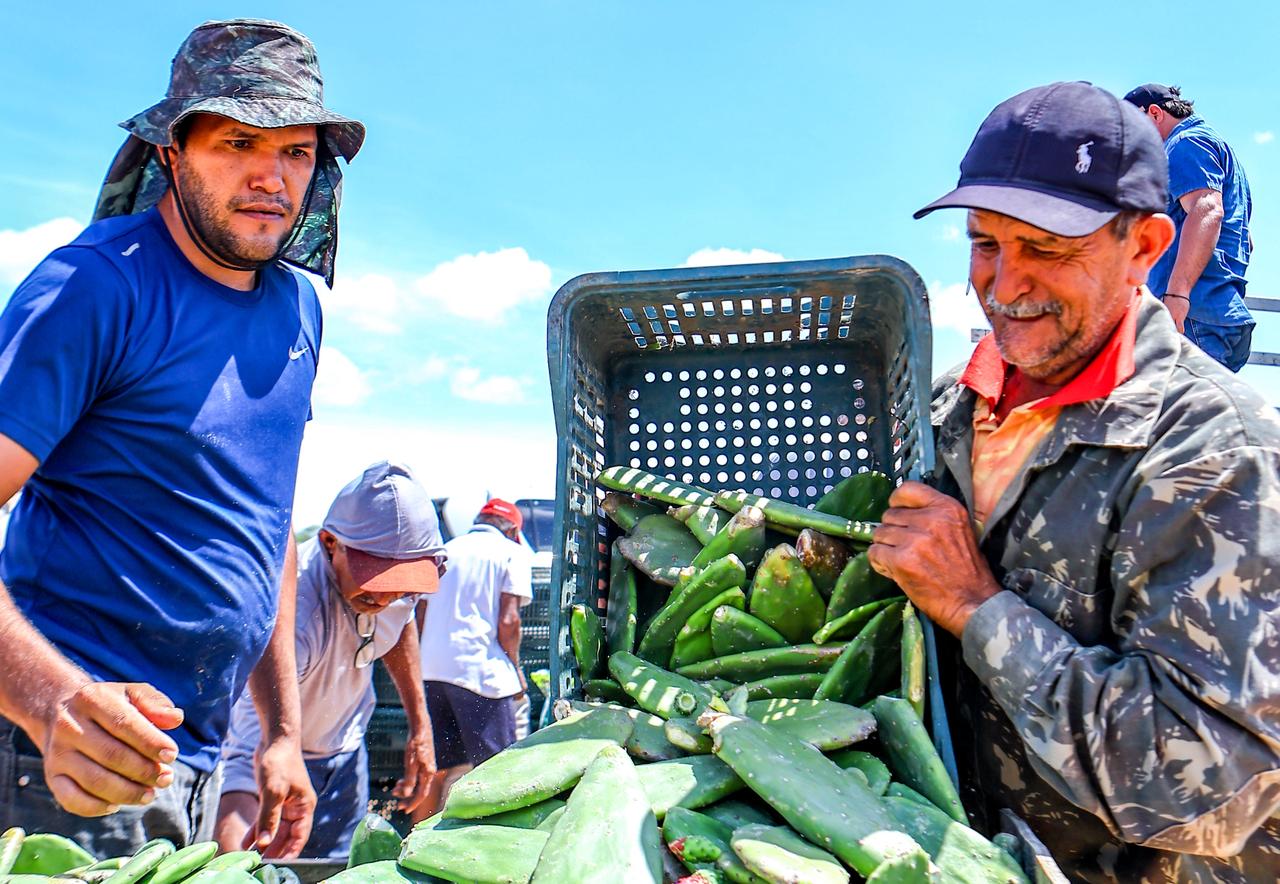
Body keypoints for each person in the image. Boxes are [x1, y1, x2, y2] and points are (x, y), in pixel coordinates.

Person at [871, 81, 1280, 881]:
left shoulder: (1217, 452)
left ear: (1146, 245)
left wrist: (972, 606)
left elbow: (1210, 796)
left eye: (1048, 248)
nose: (1005, 285)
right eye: (986, 244)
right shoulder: (951, 404)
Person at [0, 19, 364, 858]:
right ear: (172, 151)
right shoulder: (94, 286)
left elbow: (264, 523)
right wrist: (49, 701)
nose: (271, 176)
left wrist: (279, 731)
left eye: (297, 152)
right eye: (238, 141)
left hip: (195, 757)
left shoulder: (297, 309)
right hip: (65, 755)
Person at [215, 462, 443, 858]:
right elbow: (250, 745)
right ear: (329, 543)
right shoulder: (296, 618)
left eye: (399, 587)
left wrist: (420, 727)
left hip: (348, 755)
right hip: (284, 770)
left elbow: (399, 624)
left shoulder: (394, 596)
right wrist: (231, 858)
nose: (385, 600)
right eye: (374, 586)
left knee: (340, 869)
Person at [413, 499, 532, 822]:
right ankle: (495, 843)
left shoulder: (447, 550)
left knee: (437, 769)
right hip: (481, 674)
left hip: (432, 671)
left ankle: (412, 844)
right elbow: (508, 622)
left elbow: (420, 613)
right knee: (496, 771)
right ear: (512, 530)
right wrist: (516, 669)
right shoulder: (511, 552)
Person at [1123, 83, 1255, 372]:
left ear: (1155, 113)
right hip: (1217, 313)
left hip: (1191, 317)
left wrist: (1178, 295)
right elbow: (1246, 240)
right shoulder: (1218, 149)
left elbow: (1206, 210)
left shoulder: (1186, 144)